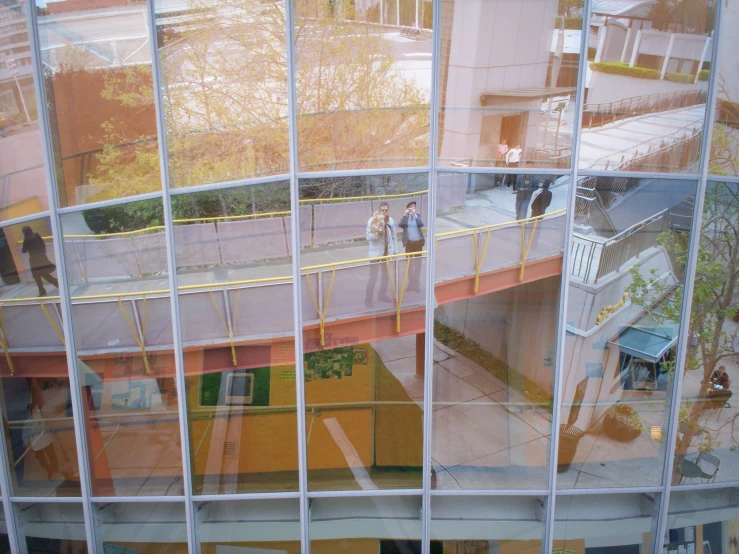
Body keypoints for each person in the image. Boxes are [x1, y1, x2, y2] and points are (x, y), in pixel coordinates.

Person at [365, 202, 397, 306]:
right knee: (373, 277)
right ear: (379, 210)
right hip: (375, 254)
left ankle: (381, 295)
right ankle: (368, 300)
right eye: (382, 210)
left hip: (386, 253)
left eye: (386, 210)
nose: (384, 212)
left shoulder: (390, 221)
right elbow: (368, 237)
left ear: (388, 211)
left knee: (385, 276)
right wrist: (377, 233)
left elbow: (394, 237)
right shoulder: (372, 221)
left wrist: (395, 251)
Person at [22, 402, 58, 480]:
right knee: (50, 455)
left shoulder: (30, 420)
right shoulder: (40, 416)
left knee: (42, 457)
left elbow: (26, 433)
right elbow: (50, 424)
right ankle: (54, 469)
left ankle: (51, 469)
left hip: (39, 442)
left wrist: (26, 443)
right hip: (44, 440)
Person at [21, 226, 58, 297]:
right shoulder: (36, 235)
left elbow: (24, 251)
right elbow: (43, 244)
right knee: (45, 274)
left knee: (37, 277)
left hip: (34, 261)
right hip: (42, 258)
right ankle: (57, 285)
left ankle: (42, 292)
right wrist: (43, 253)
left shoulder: (26, 240)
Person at [398, 201, 425, 292]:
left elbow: (421, 224)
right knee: (409, 265)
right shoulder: (406, 218)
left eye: (413, 208)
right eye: (410, 208)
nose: (412, 209)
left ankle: (416, 284)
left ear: (415, 209)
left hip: (418, 244)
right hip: (409, 244)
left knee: (418, 265)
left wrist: (415, 216)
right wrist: (405, 215)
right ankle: (410, 284)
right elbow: (400, 225)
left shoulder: (418, 217)